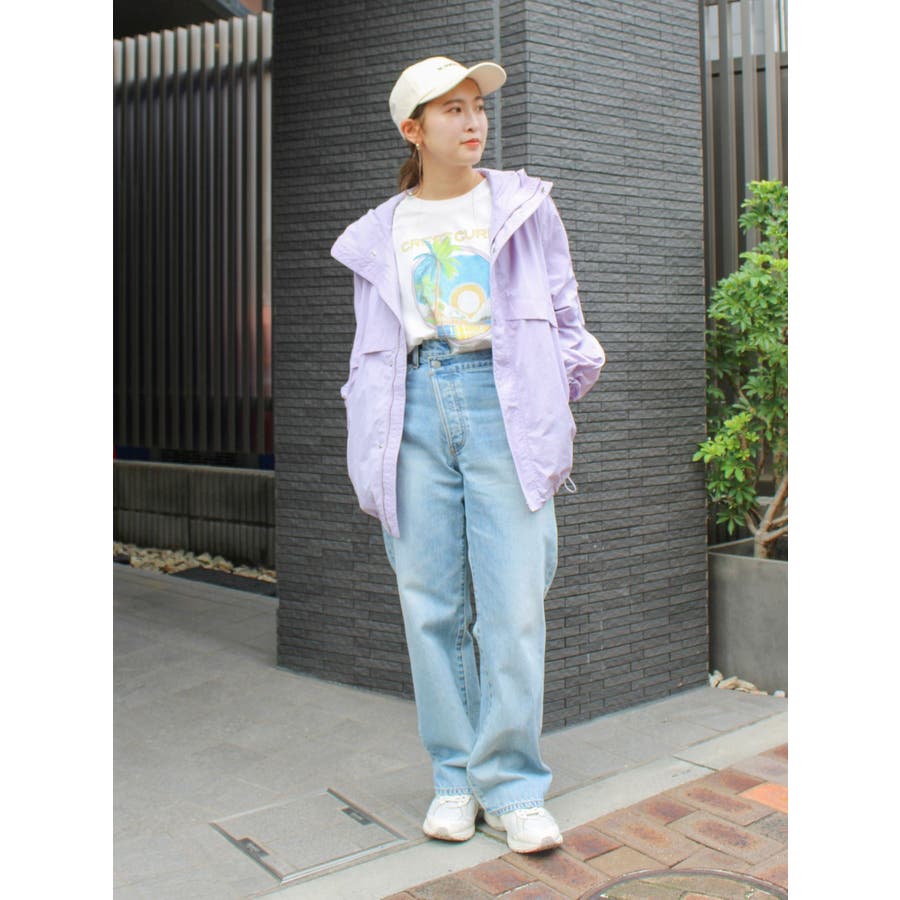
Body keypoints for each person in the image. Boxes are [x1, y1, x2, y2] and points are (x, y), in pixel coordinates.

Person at [331, 56, 605, 854]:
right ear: (413, 130)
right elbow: (369, 347)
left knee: (513, 608)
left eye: (477, 105)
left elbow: (567, 317)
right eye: (451, 109)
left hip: (502, 401)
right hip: (412, 406)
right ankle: (455, 778)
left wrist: (553, 395)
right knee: (431, 607)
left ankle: (513, 786)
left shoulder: (524, 206)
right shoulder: (379, 232)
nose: (473, 120)